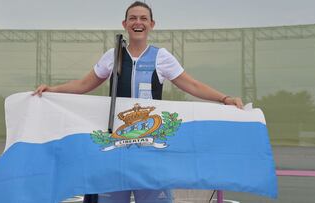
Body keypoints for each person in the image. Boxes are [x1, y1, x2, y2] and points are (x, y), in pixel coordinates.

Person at [33, 1, 243, 202]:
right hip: (116, 144)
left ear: (152, 24)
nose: (138, 22)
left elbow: (193, 85)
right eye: (132, 18)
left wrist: (224, 99)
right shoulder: (112, 56)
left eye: (144, 18)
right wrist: (52, 90)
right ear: (124, 24)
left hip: (150, 147)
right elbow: (83, 84)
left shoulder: (161, 57)